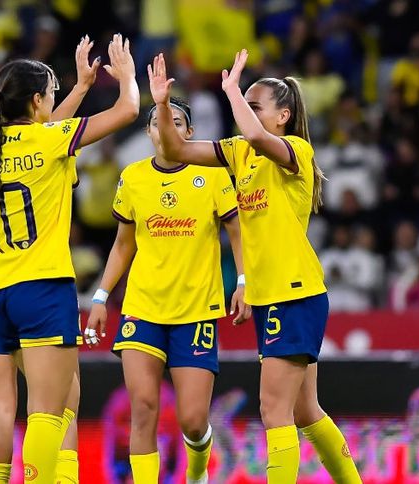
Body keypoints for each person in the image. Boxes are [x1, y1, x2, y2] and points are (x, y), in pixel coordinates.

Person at [148, 51, 362, 483]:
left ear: (283, 116)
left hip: (293, 290)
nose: (245, 110)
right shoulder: (240, 152)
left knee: (273, 409)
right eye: (244, 103)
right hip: (272, 295)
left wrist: (230, 92)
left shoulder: (294, 150)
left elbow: (257, 136)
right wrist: (163, 104)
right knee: (305, 410)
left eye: (255, 104)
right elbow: (176, 148)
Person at [0, 34, 139, 484]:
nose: (53, 101)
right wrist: (126, 76)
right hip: (43, 288)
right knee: (51, 409)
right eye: (51, 93)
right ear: (35, 100)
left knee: (2, 410)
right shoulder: (52, 142)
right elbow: (127, 110)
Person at [84, 96, 249, 484]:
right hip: (143, 307)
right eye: (158, 121)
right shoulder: (133, 177)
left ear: (189, 132)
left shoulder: (212, 175)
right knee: (143, 408)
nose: (166, 127)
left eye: (175, 121)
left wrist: (243, 282)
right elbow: (123, 244)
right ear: (148, 132)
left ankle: (197, 471)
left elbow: (238, 233)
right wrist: (100, 297)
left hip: (196, 310)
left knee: (193, 420)